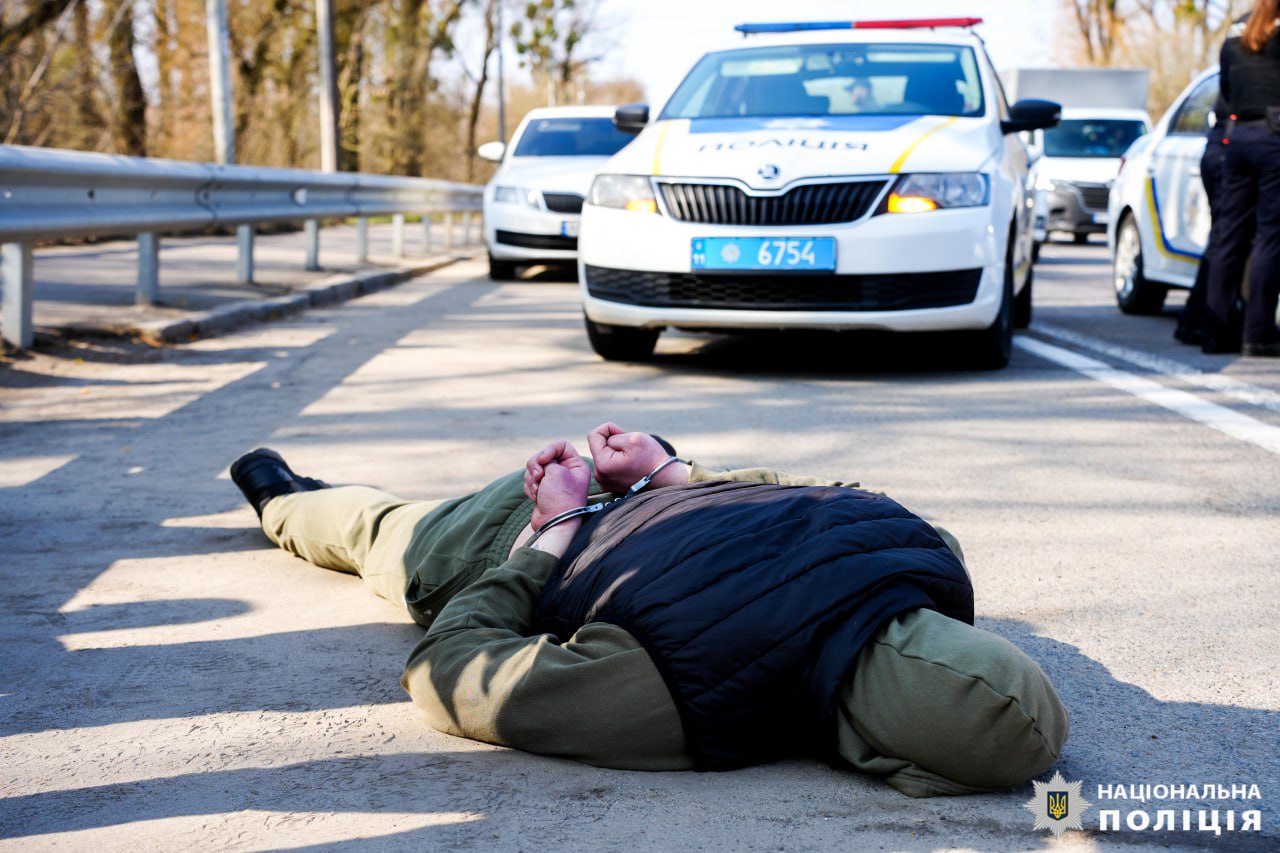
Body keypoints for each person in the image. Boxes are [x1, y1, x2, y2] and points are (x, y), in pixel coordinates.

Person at [230, 424, 1068, 797]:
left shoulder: (920, 544)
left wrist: (655, 480)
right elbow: (450, 671)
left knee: (379, 521)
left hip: (579, 498)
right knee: (381, 528)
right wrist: (585, 516)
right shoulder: (681, 693)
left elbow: (797, 492)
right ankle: (282, 497)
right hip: (546, 525)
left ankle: (292, 496)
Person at [1203, 1, 1280, 357]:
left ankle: (1216, 332)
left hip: (1238, 139)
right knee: (1270, 235)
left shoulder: (1237, 29)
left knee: (1229, 235)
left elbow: (1226, 88)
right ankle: (1258, 333)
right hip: (1273, 139)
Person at [1176, 12, 1254, 347]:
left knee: (1224, 239)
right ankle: (1210, 322)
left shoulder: (1242, 34)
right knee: (1230, 239)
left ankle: (1197, 320)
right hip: (1230, 149)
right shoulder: (1261, 45)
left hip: (1222, 148)